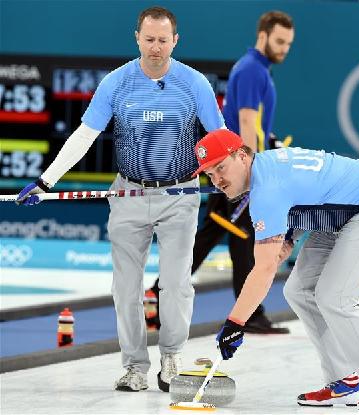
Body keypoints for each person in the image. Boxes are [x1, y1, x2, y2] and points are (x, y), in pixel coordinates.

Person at [15, 6, 224, 392]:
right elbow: (84, 136)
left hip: (180, 194)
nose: (156, 48)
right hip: (127, 193)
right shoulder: (116, 82)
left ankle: (172, 357)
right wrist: (45, 182)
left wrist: (235, 179)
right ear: (137, 38)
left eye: (163, 40)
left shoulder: (195, 85)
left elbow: (219, 141)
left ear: (175, 41)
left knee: (176, 284)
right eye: (149, 39)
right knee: (126, 287)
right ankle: (134, 367)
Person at [194, 129, 359, 411]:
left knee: (335, 297)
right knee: (299, 291)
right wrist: (290, 236)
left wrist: (235, 323)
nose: (218, 180)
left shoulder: (266, 190)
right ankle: (344, 382)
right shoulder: (267, 168)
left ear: (242, 156)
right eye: (210, 173)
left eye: (221, 167)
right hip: (344, 212)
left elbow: (265, 268)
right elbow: (312, 189)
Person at [190, 10, 295, 334]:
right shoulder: (252, 70)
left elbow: (258, 126)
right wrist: (253, 173)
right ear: (262, 36)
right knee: (240, 236)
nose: (284, 49)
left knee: (223, 236)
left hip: (237, 167)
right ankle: (159, 293)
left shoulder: (258, 69)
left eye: (288, 44)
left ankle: (158, 292)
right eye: (279, 41)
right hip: (238, 171)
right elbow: (247, 122)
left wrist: (268, 145)